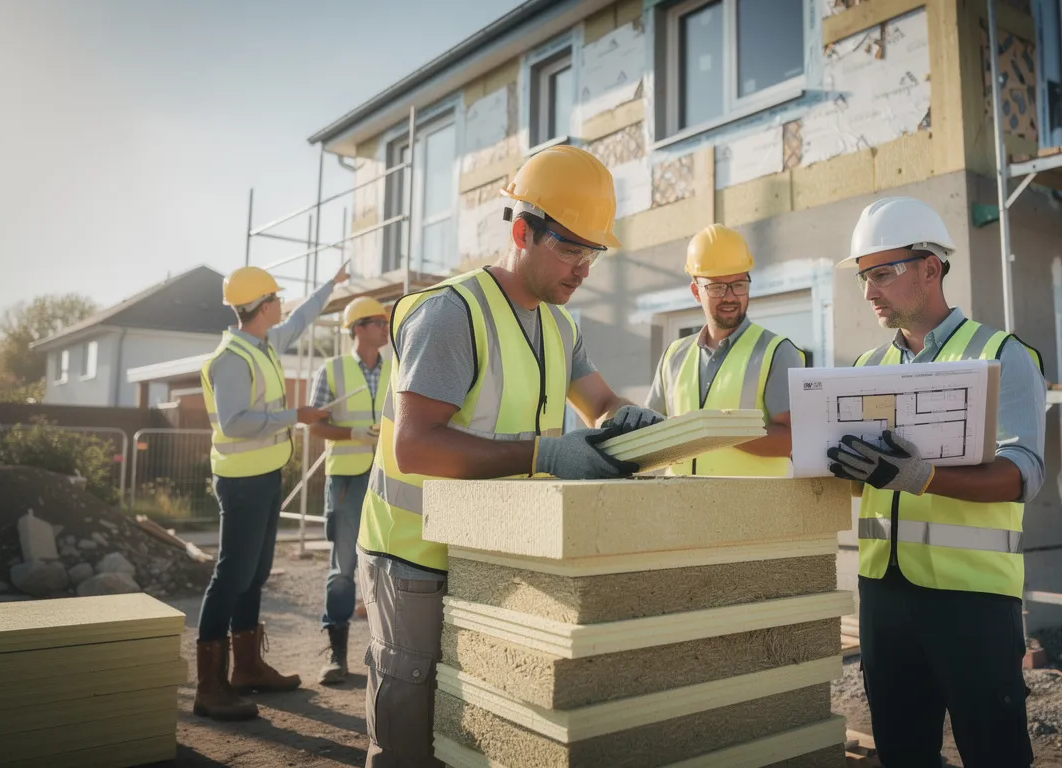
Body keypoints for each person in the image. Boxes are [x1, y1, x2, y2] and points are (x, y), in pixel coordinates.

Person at [356, 144, 662, 767]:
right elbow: (414, 445)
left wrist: (624, 421)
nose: (583, 269)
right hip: (417, 557)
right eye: (570, 249)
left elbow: (598, 401)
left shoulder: (560, 324)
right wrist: (547, 456)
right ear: (522, 232)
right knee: (409, 738)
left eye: (592, 253)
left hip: (496, 554)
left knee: (478, 729)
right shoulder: (451, 314)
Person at [825, 197, 1046, 767]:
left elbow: (1023, 473)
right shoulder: (865, 369)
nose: (869, 291)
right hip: (882, 594)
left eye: (882, 274)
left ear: (930, 267)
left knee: (993, 752)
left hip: (972, 598)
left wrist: (921, 476)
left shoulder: (1001, 355)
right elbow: (864, 484)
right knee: (901, 753)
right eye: (862, 278)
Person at [195, 264, 347, 721]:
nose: (282, 305)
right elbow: (236, 422)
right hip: (241, 481)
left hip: (263, 476)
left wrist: (331, 285)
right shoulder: (231, 360)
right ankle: (209, 687)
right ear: (262, 307)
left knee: (255, 573)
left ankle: (246, 669)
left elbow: (300, 319)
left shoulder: (263, 345)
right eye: (276, 299)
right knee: (231, 576)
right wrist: (295, 416)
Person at [645, 224, 804, 475]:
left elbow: (794, 438)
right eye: (717, 288)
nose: (730, 296)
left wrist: (716, 431)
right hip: (681, 508)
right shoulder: (673, 355)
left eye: (739, 284)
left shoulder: (776, 352)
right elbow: (650, 433)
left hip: (750, 510)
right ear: (696, 292)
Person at [307, 296, 392, 685]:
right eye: (377, 321)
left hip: (389, 474)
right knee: (343, 569)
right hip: (346, 478)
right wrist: (353, 433)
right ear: (358, 327)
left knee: (388, 566)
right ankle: (336, 654)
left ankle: (385, 649)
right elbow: (316, 425)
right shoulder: (333, 370)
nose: (384, 327)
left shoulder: (396, 367)